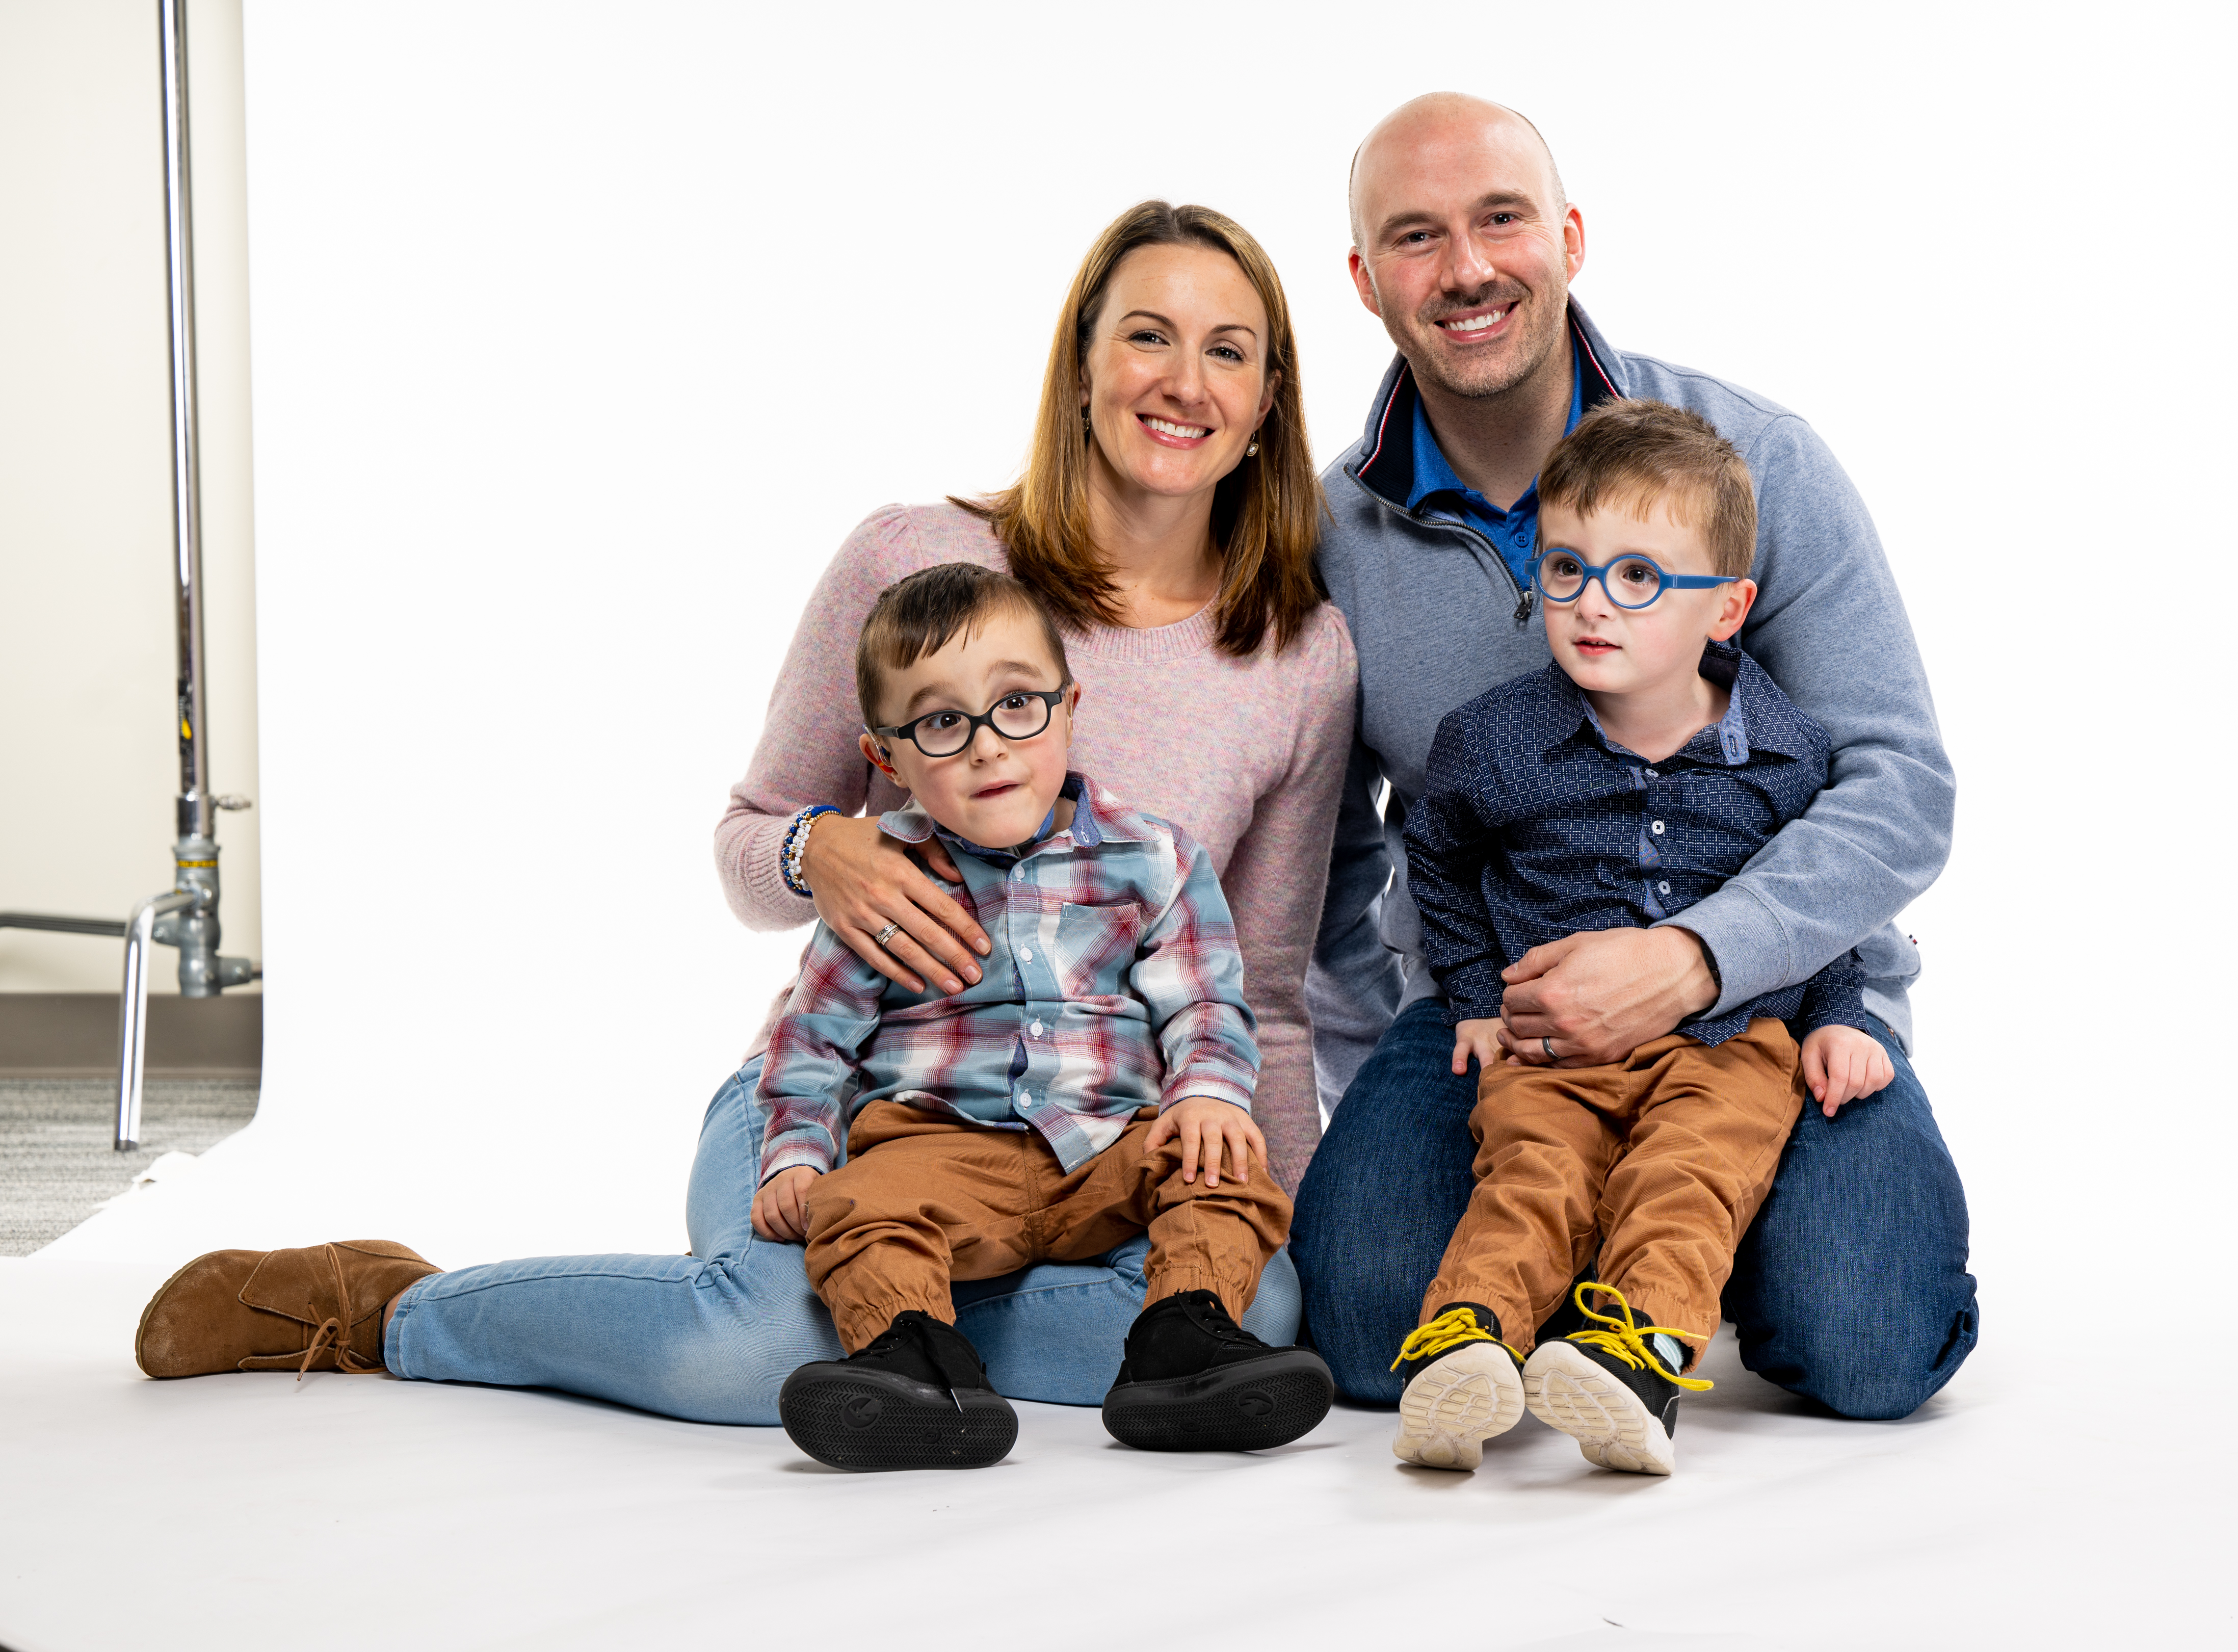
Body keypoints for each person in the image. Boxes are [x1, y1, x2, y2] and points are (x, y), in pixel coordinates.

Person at [131, 201, 1359, 1423]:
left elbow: (1264, 989)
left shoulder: (1296, 654)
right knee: (751, 1348)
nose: (1183, 381)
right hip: (866, 1106)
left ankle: (911, 1335)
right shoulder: (915, 560)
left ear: (1266, 402)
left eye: (1228, 350)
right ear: (1082, 362)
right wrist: (819, 851)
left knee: (1254, 1315)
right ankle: (391, 1308)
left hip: (1097, 1147)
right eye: (1148, 336)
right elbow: (749, 844)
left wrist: (1301, 1248)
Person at [1292, 92, 1979, 1419]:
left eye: (1502, 219)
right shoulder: (1329, 533)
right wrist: (1419, 1041)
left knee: (1869, 1344)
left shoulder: (1754, 463)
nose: (1470, 268)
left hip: (1764, 1003)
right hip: (1506, 1010)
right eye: (1417, 237)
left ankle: (1645, 1278)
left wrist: (1698, 962)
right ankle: (1583, 1256)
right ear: (1367, 278)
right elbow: (1336, 848)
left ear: (1571, 234)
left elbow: (1898, 784)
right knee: (1371, 1325)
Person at [1386, 400, 1891, 1477]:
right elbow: (1436, 855)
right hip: (1551, 1037)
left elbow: (1821, 901)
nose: (1592, 605)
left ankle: (1637, 1353)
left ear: (1730, 609)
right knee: (1529, 1170)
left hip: (1731, 1041)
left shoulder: (1787, 753)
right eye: (1567, 569)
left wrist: (1842, 1018)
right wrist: (1475, 993)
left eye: (1639, 577)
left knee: (1689, 1173)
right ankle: (1469, 1341)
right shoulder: (1496, 740)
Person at [761, 562, 1332, 1471]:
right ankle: (917, 1365)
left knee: (1225, 1170)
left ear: (1070, 706)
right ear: (887, 758)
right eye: (942, 723)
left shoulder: (1153, 858)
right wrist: (796, 1152)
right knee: (857, 1206)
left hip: (1110, 1143)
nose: (989, 747)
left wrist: (1212, 1098)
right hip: (939, 1147)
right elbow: (812, 1040)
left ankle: (1181, 1343)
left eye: (1017, 705)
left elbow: (1209, 1001)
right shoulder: (888, 882)